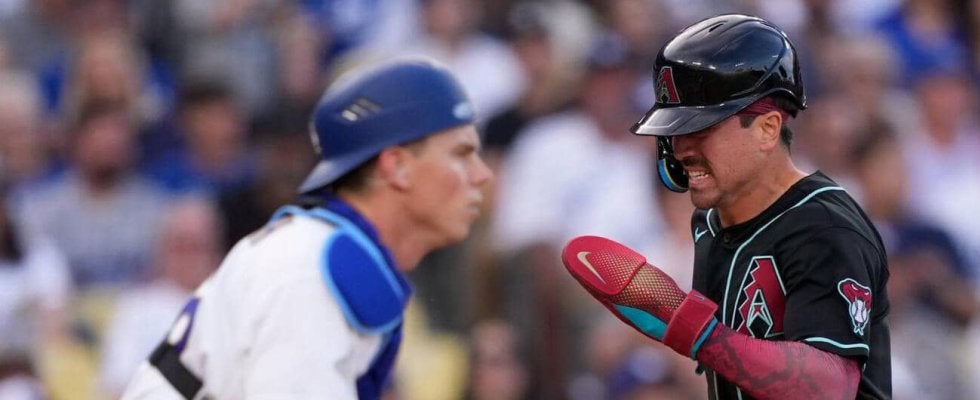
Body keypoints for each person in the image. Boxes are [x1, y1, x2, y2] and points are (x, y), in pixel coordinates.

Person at [119, 57, 493, 400]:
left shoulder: (326, 253)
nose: (482, 174)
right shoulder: (309, 270)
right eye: (461, 154)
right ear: (396, 166)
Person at [560, 14, 890, 400]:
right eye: (674, 131)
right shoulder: (710, 224)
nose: (681, 149)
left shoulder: (824, 227)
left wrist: (697, 330)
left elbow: (829, 388)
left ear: (767, 128)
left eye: (700, 129)